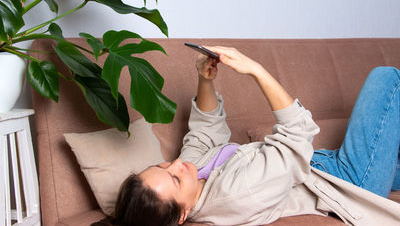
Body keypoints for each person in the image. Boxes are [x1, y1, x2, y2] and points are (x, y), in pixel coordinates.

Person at [110, 46, 400, 226]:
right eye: (174, 179)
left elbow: (204, 132)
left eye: (161, 165)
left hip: (330, 165)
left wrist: (205, 79)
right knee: (386, 77)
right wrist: (256, 70)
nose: (176, 165)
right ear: (183, 215)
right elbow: (297, 134)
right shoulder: (238, 195)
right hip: (349, 182)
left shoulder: (192, 175)